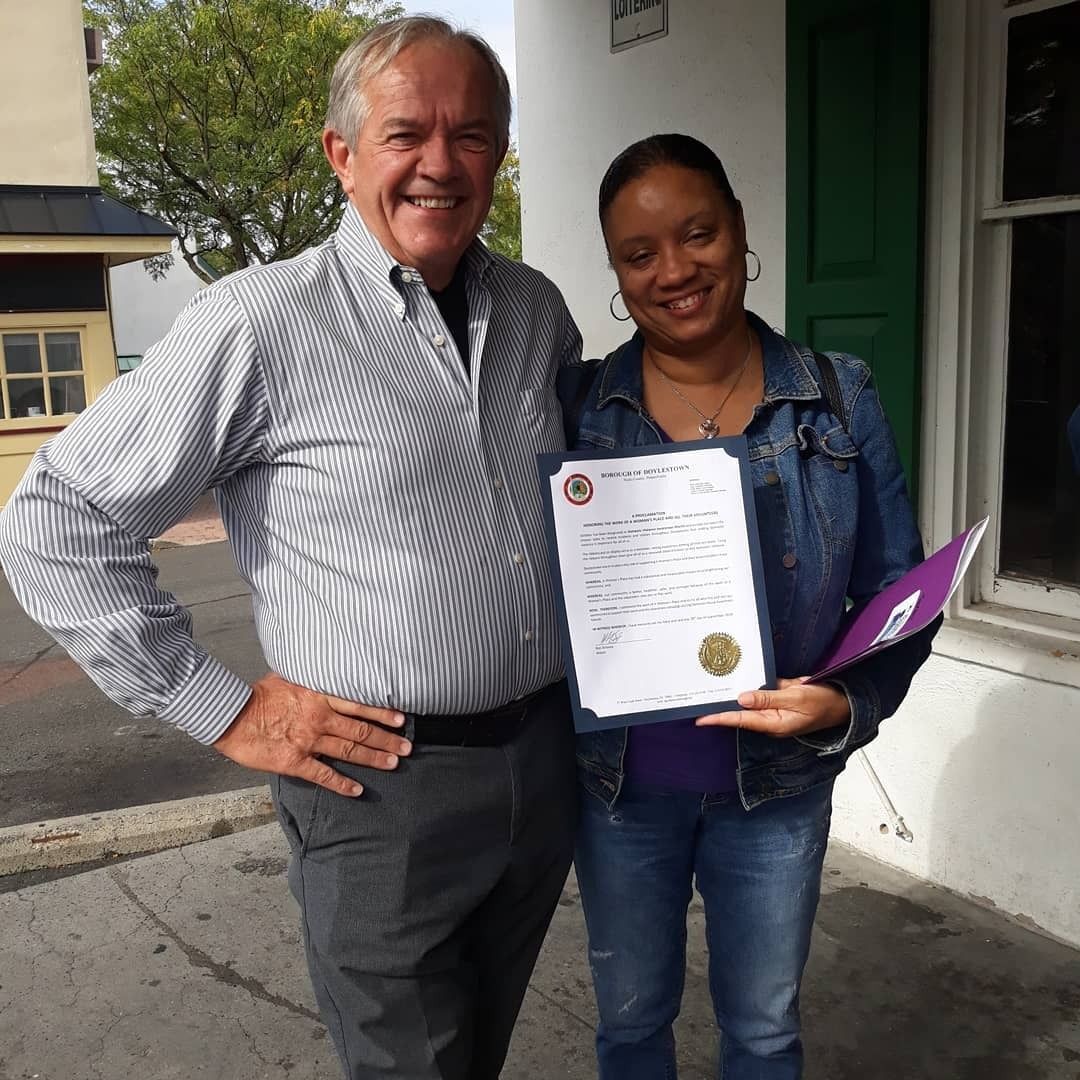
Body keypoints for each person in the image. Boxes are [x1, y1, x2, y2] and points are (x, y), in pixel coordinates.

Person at [0, 17, 582, 1080]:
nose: (441, 165)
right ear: (341, 153)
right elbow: (56, 520)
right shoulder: (256, 323)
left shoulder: (538, 312)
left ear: (500, 155)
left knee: (480, 1053)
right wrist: (221, 706)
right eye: (407, 132)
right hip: (377, 789)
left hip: (542, 766)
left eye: (474, 136)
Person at [559, 133, 940, 1079]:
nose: (675, 270)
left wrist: (848, 704)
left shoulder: (838, 398)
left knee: (764, 1033)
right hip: (620, 788)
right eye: (639, 254)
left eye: (698, 234)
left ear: (739, 228)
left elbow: (899, 596)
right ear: (616, 270)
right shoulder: (578, 408)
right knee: (631, 1028)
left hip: (775, 789)